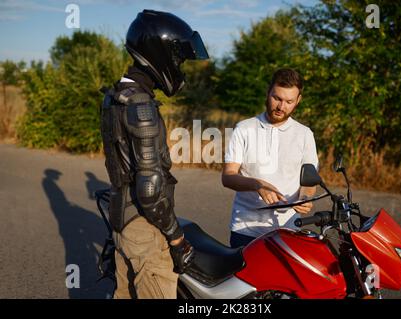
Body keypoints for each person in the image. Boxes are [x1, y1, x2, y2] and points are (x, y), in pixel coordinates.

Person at [100, 10, 209, 299]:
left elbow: (120, 163)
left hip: (122, 223)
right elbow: (150, 190)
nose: (179, 66)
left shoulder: (114, 97)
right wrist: (176, 238)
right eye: (178, 59)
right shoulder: (141, 106)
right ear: (159, 54)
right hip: (146, 230)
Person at [222, 68, 319, 248]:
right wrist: (257, 185)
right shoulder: (244, 128)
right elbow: (228, 176)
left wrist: (305, 198)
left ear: (298, 100)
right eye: (277, 98)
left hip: (288, 230)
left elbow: (309, 182)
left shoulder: (305, 134)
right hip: (246, 230)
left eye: (289, 101)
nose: (281, 107)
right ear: (268, 93)